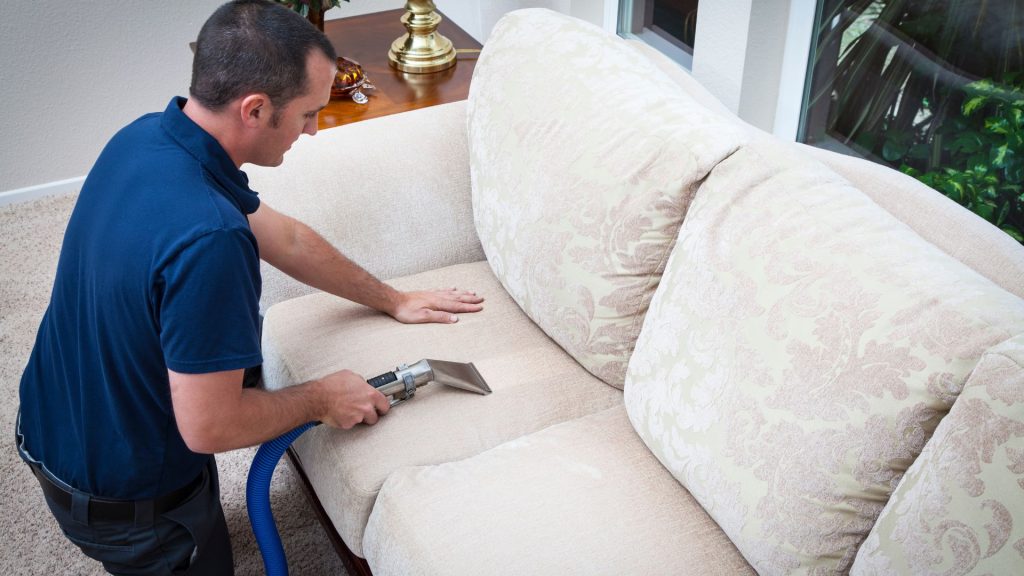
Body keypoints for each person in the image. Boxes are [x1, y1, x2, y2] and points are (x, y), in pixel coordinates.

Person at [15, 1, 483, 574]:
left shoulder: (146, 138)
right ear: (256, 109)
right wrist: (321, 397)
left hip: (46, 420)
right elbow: (210, 426)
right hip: (126, 505)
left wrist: (394, 299)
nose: (312, 130)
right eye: (308, 113)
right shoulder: (211, 240)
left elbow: (286, 239)